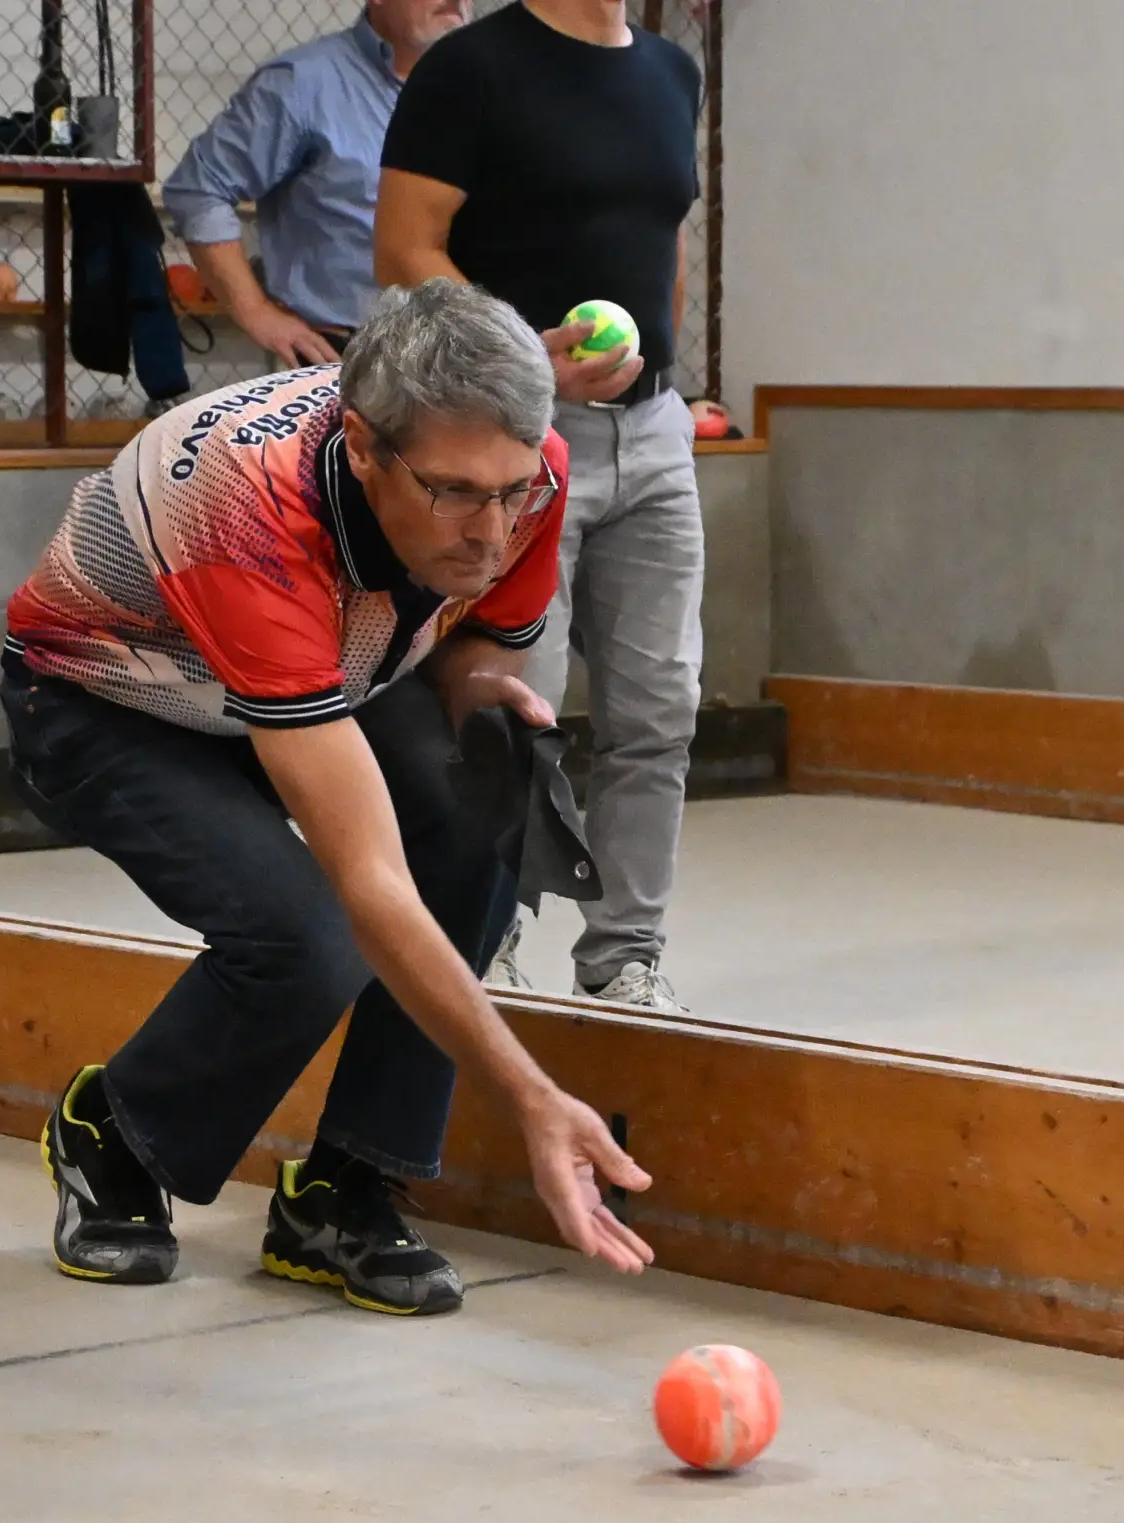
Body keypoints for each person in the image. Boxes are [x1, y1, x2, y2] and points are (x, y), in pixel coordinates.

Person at [0, 280, 655, 1317]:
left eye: (511, 490)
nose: (492, 531)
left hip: (325, 674)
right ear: (361, 450)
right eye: (455, 494)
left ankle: (347, 1187)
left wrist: (481, 694)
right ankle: (112, 1129)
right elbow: (370, 882)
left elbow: (480, 643)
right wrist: (531, 1097)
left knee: (489, 793)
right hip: (108, 696)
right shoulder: (244, 510)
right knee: (307, 938)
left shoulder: (523, 471)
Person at [374, 0, 705, 1013]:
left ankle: (624, 956)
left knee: (661, 707)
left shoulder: (672, 74)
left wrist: (666, 380)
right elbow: (405, 250)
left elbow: (665, 244)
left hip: (655, 433)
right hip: (515, 437)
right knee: (514, 704)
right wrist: (523, 359)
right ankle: (489, 937)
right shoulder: (470, 68)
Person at [162, 0, 473, 370]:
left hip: (468, 357)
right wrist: (255, 310)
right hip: (347, 360)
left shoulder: (486, 88)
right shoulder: (303, 84)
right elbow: (200, 187)